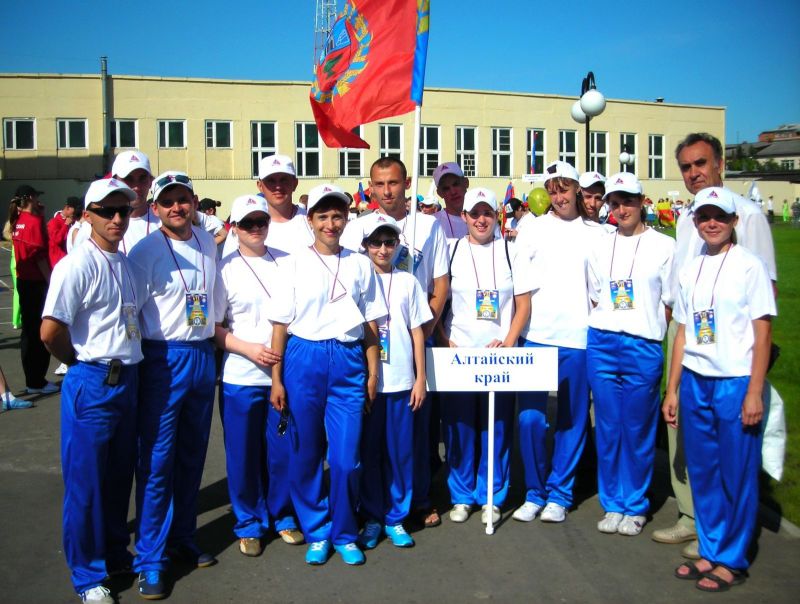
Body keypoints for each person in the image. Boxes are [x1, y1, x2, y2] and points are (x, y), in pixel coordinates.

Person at [652, 132, 776, 558]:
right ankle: (695, 519)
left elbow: (764, 294)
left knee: (731, 448)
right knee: (686, 441)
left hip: (731, 348)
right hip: (688, 333)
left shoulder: (748, 216)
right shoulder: (688, 216)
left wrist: (755, 371)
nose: (694, 173)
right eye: (686, 167)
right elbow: (682, 281)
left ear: (720, 163)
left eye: (701, 163)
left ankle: (725, 537)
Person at [269, 184, 386, 566]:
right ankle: (318, 529)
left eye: (337, 216)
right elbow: (280, 327)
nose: (331, 224)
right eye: (323, 216)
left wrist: (372, 373)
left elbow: (371, 324)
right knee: (305, 453)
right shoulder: (292, 264)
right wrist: (277, 378)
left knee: (346, 459)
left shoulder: (359, 263)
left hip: (348, 361)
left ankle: (345, 532)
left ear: (347, 219)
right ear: (311, 220)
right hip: (304, 357)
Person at [40, 177, 143, 604]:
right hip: (94, 379)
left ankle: (115, 552)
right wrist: (79, 362)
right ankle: (86, 574)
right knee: (86, 483)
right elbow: (50, 332)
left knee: (119, 478)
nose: (117, 218)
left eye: (123, 211)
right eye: (106, 211)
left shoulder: (127, 263)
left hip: (128, 380)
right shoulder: (76, 265)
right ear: (88, 216)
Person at [341, 157, 449, 529]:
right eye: (379, 184)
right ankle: (372, 504)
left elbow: (440, 283)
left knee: (415, 432)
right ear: (370, 186)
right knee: (371, 430)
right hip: (370, 342)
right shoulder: (358, 227)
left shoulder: (428, 225)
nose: (387, 191)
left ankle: (417, 499)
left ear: (407, 183)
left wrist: (421, 327)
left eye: (394, 183)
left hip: (414, 339)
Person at [128, 171, 219, 599]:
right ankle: (150, 558)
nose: (177, 208)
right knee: (157, 462)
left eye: (183, 199)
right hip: (163, 358)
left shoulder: (205, 241)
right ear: (155, 208)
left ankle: (183, 535)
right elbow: (131, 311)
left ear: (194, 202)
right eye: (168, 202)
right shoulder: (144, 251)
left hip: (201, 354)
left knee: (192, 455)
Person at [512, 161, 607, 523]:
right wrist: (514, 335)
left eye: (564, 189)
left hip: (578, 338)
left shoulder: (597, 233)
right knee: (530, 420)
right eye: (552, 191)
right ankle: (534, 491)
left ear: (577, 190)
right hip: (536, 336)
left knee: (572, 419)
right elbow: (521, 286)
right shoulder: (531, 228)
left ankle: (560, 493)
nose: (559, 197)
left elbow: (598, 291)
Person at [213, 194, 303, 558]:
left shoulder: (288, 261)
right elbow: (214, 328)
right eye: (247, 223)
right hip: (241, 376)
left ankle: (282, 515)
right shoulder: (224, 269)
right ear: (234, 228)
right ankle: (249, 522)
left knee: (282, 451)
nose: (255, 229)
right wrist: (248, 349)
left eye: (261, 222)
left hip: (283, 374)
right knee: (243, 454)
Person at [586, 173, 675, 536]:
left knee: (638, 428)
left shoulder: (664, 246)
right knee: (608, 427)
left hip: (642, 345)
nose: (621, 209)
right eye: (615, 202)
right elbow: (595, 294)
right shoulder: (600, 244)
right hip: (603, 342)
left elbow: (668, 302)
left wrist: (646, 326)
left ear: (642, 202)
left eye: (628, 201)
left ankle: (635, 504)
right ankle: (613, 502)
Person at [441, 188, 532, 525]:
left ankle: (491, 494)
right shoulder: (451, 250)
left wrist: (509, 341)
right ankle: (462, 494)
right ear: (464, 216)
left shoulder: (511, 250)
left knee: (496, 427)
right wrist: (444, 339)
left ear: (497, 216)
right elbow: (438, 298)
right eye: (474, 213)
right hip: (460, 353)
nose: (481, 220)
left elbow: (523, 304)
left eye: (487, 213)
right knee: (460, 427)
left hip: (500, 355)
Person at [357, 213, 431, 550]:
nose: (383, 249)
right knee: (371, 452)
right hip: (370, 383)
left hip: (402, 380)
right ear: (365, 245)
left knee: (400, 452)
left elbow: (417, 332)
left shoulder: (408, 282)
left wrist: (420, 378)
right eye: (376, 242)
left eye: (389, 242)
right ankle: (373, 515)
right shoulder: (358, 280)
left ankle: (396, 516)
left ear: (398, 244)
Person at [9, 184, 58, 395]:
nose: (39, 200)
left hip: (24, 281)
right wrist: (51, 282)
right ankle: (37, 380)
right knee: (40, 331)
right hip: (37, 282)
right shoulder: (33, 222)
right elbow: (39, 257)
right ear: (30, 197)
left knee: (29, 332)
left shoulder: (18, 221)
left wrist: (40, 214)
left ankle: (33, 378)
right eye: (36, 196)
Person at [222, 154, 313, 258]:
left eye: (284, 180)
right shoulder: (243, 226)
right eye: (271, 181)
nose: (278, 187)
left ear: (295, 183)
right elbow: (230, 264)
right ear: (260, 186)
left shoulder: (311, 222)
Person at [433, 162, 469, 246]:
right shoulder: (433, 222)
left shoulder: (483, 218)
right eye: (446, 188)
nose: (453, 192)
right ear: (439, 193)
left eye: (456, 184)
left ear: (466, 183)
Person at [47, 196, 82, 268]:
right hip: (58, 262)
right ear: (68, 208)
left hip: (70, 260)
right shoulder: (54, 222)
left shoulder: (74, 221)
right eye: (75, 209)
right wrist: (66, 225)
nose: (77, 211)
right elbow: (56, 240)